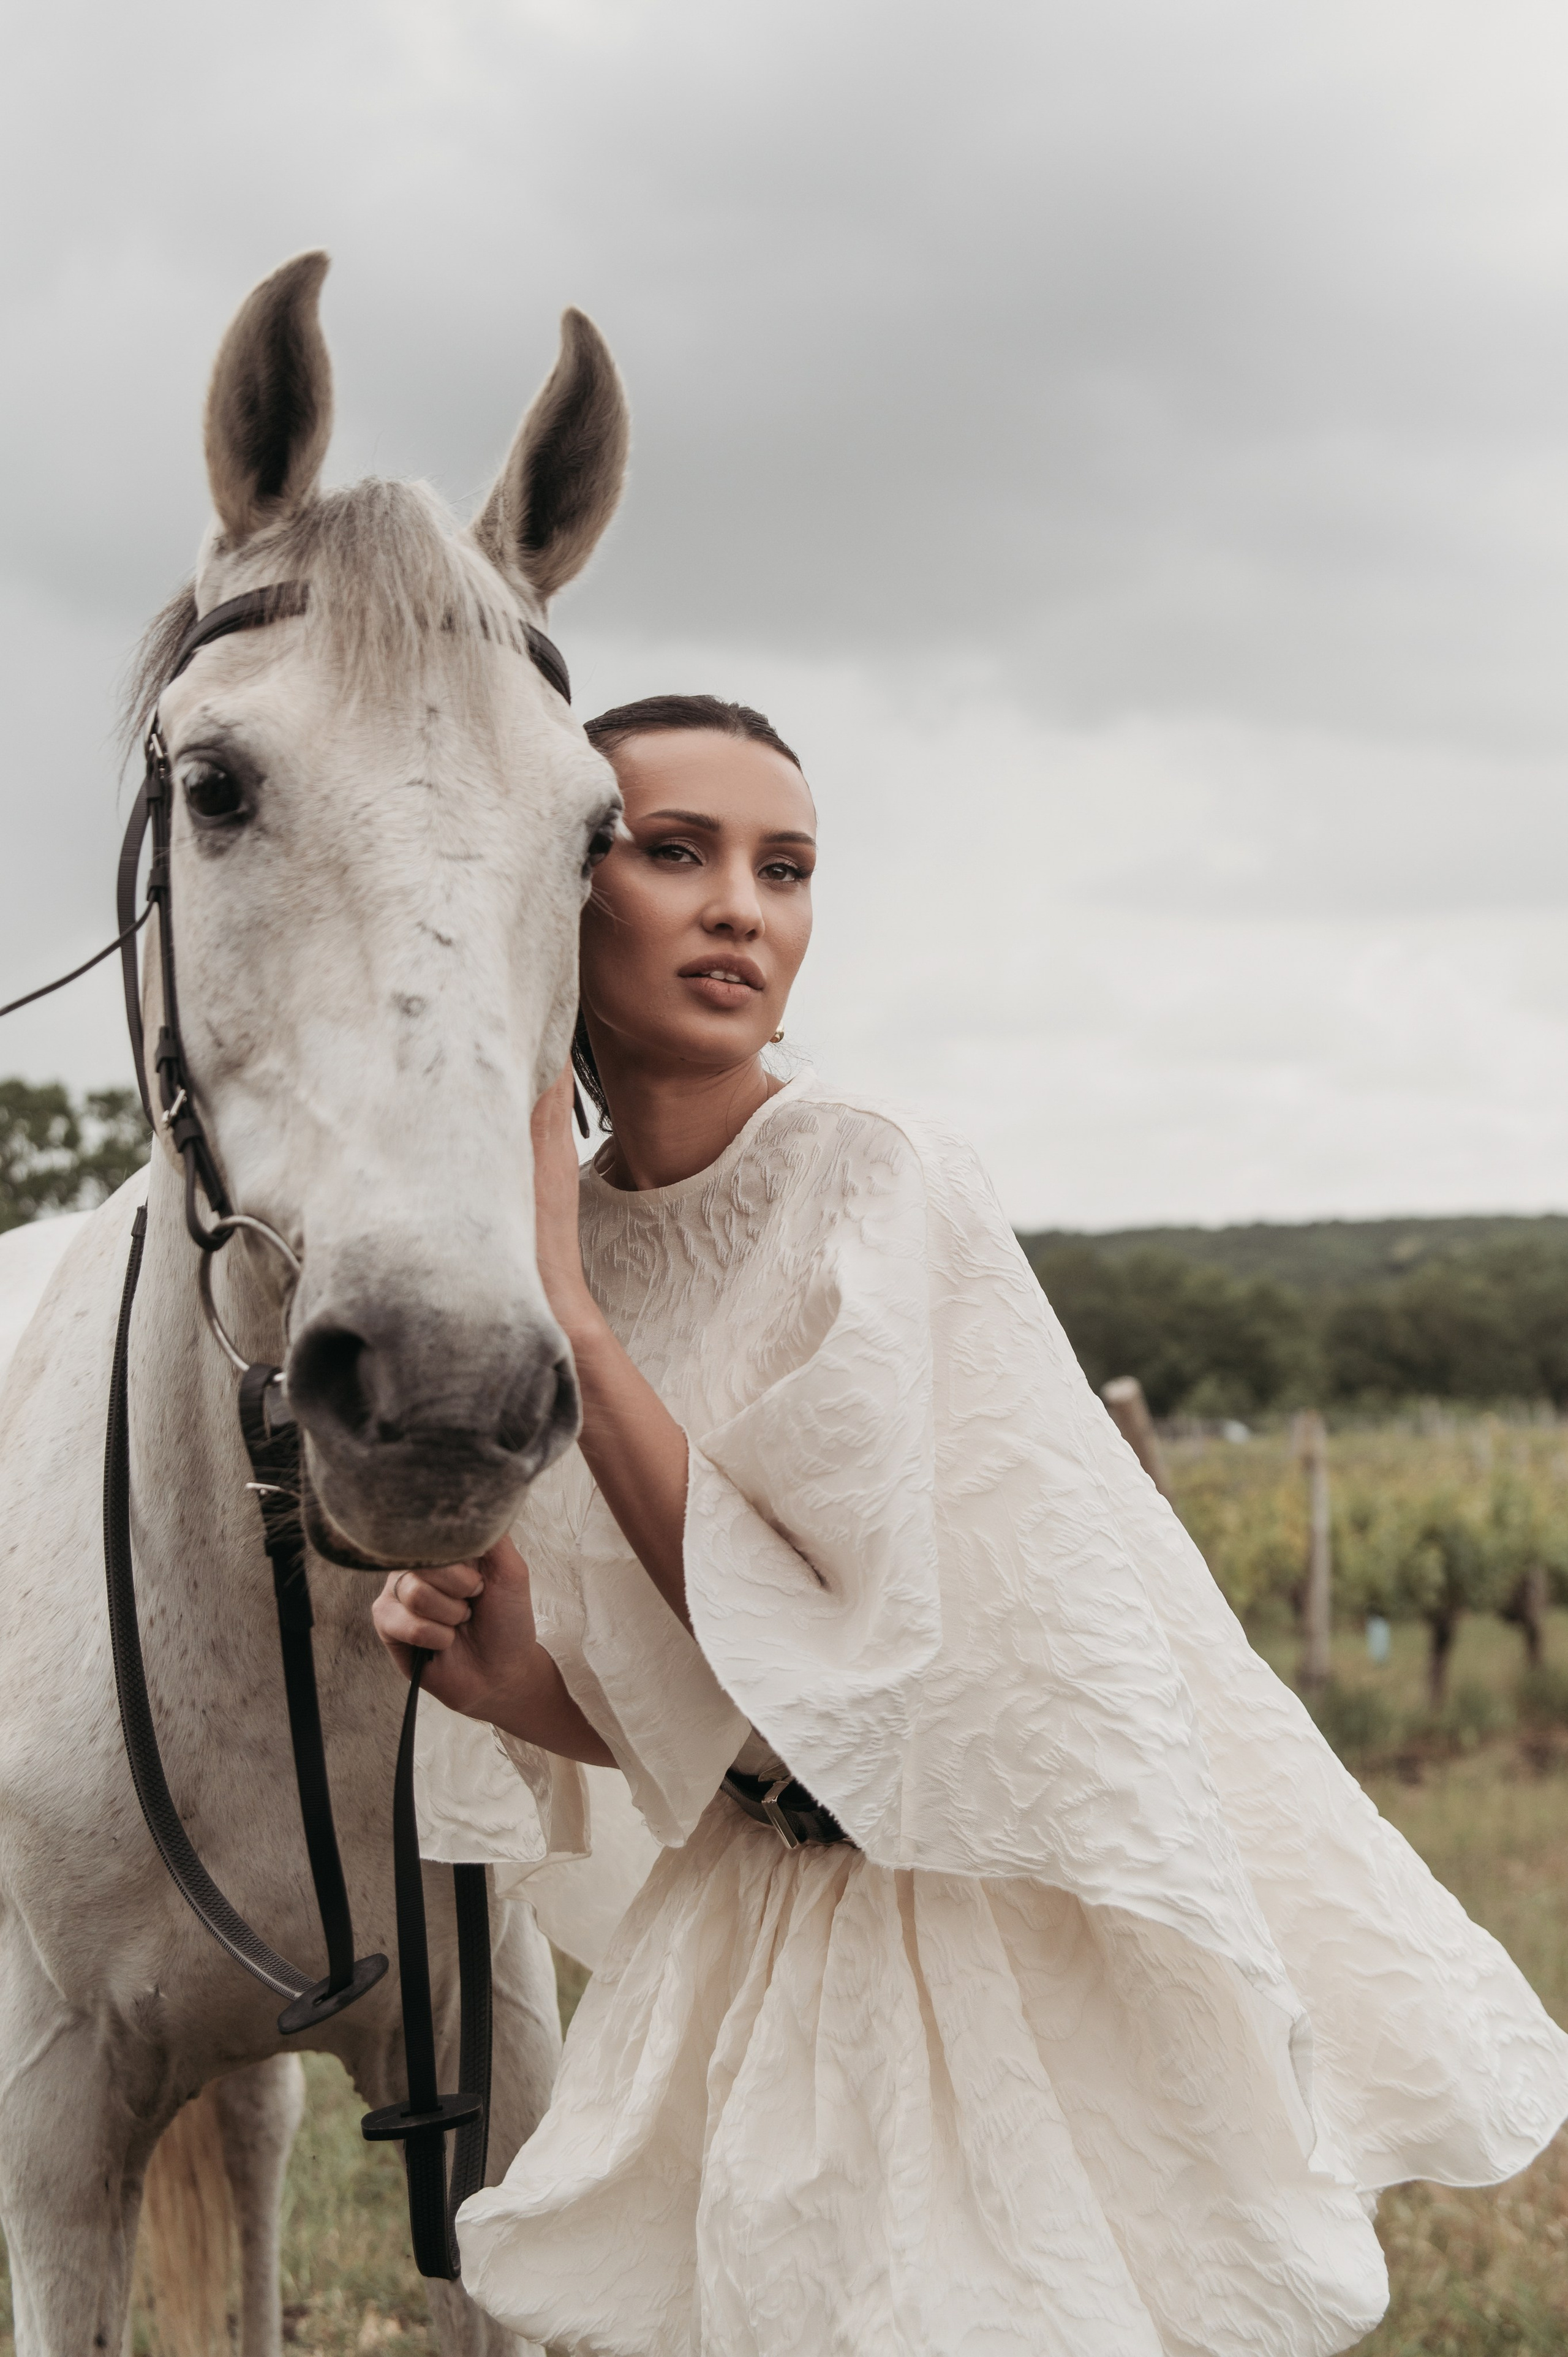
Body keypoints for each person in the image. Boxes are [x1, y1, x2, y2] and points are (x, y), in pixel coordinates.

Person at [372, 693, 1568, 2357]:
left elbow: (857, 1673)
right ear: (558, 898)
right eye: (674, 853)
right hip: (759, 1929)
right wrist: (519, 1689)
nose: (741, 906)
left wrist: (571, 1316)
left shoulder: (872, 1175)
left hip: (961, 1937)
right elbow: (723, 1716)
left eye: (785, 869)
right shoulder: (580, 1248)